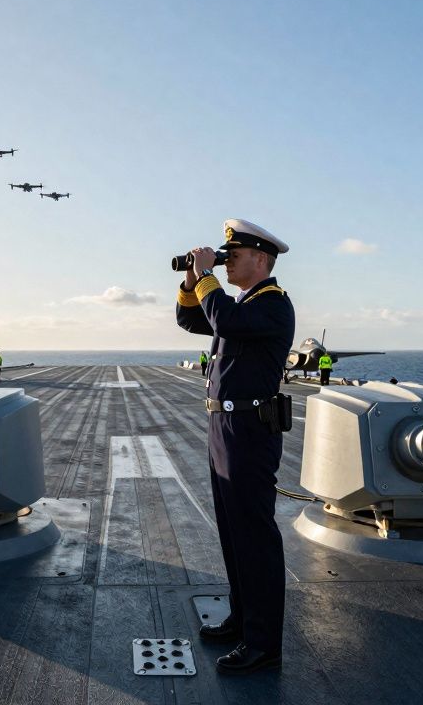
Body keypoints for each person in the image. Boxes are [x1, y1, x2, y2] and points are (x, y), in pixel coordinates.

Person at [175, 218, 294, 675]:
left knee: (254, 537)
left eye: (234, 256)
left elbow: (222, 316)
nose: (226, 264)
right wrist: (192, 280)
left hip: (249, 430)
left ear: (260, 260)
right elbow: (191, 319)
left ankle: (264, 643)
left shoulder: (272, 305)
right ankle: (243, 619)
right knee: (232, 532)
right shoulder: (242, 305)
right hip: (224, 428)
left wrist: (206, 276)